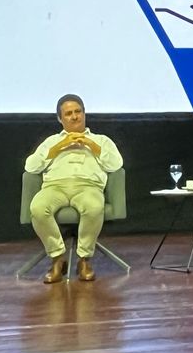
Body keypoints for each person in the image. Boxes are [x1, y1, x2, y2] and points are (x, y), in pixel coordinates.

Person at [25, 94, 124, 283]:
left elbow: (116, 165)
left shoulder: (101, 140)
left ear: (84, 114)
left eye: (78, 111)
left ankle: (84, 260)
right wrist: (55, 149)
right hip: (55, 186)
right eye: (68, 113)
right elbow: (30, 167)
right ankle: (57, 258)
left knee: (94, 206)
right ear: (60, 119)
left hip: (88, 186)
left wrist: (93, 146)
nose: (74, 117)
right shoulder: (51, 141)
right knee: (38, 208)